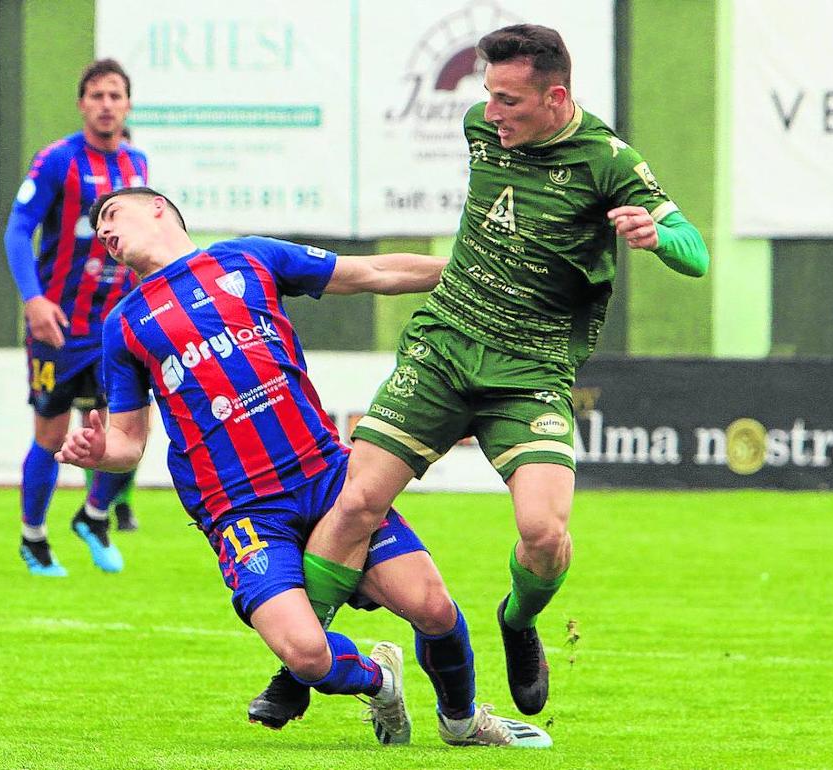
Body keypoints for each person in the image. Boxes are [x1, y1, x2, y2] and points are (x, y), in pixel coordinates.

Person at [298, 23, 711, 717]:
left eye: (509, 101)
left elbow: (695, 251)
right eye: (488, 95)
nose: (491, 113)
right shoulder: (480, 127)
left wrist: (656, 235)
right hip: (446, 343)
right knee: (356, 503)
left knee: (545, 536)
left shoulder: (609, 162)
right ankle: (301, 660)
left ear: (555, 98)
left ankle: (517, 623)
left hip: (531, 368)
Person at [55, 186, 553, 748]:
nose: (105, 231)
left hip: (326, 480)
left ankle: (462, 722)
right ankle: (381, 680)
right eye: (98, 228)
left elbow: (374, 273)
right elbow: (127, 441)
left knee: (433, 608)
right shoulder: (124, 325)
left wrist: (476, 276)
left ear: (158, 209)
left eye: (113, 214)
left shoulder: (246, 259)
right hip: (241, 510)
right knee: (308, 655)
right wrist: (101, 456)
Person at [3, 59, 147, 577]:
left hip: (116, 328)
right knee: (50, 433)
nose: (106, 104)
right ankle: (34, 538)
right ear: (82, 103)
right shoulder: (56, 161)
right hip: (58, 327)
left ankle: (93, 516)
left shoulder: (138, 167)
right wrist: (33, 299)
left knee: (126, 434)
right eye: (97, 96)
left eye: (115, 95)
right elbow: (18, 230)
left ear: (128, 104)